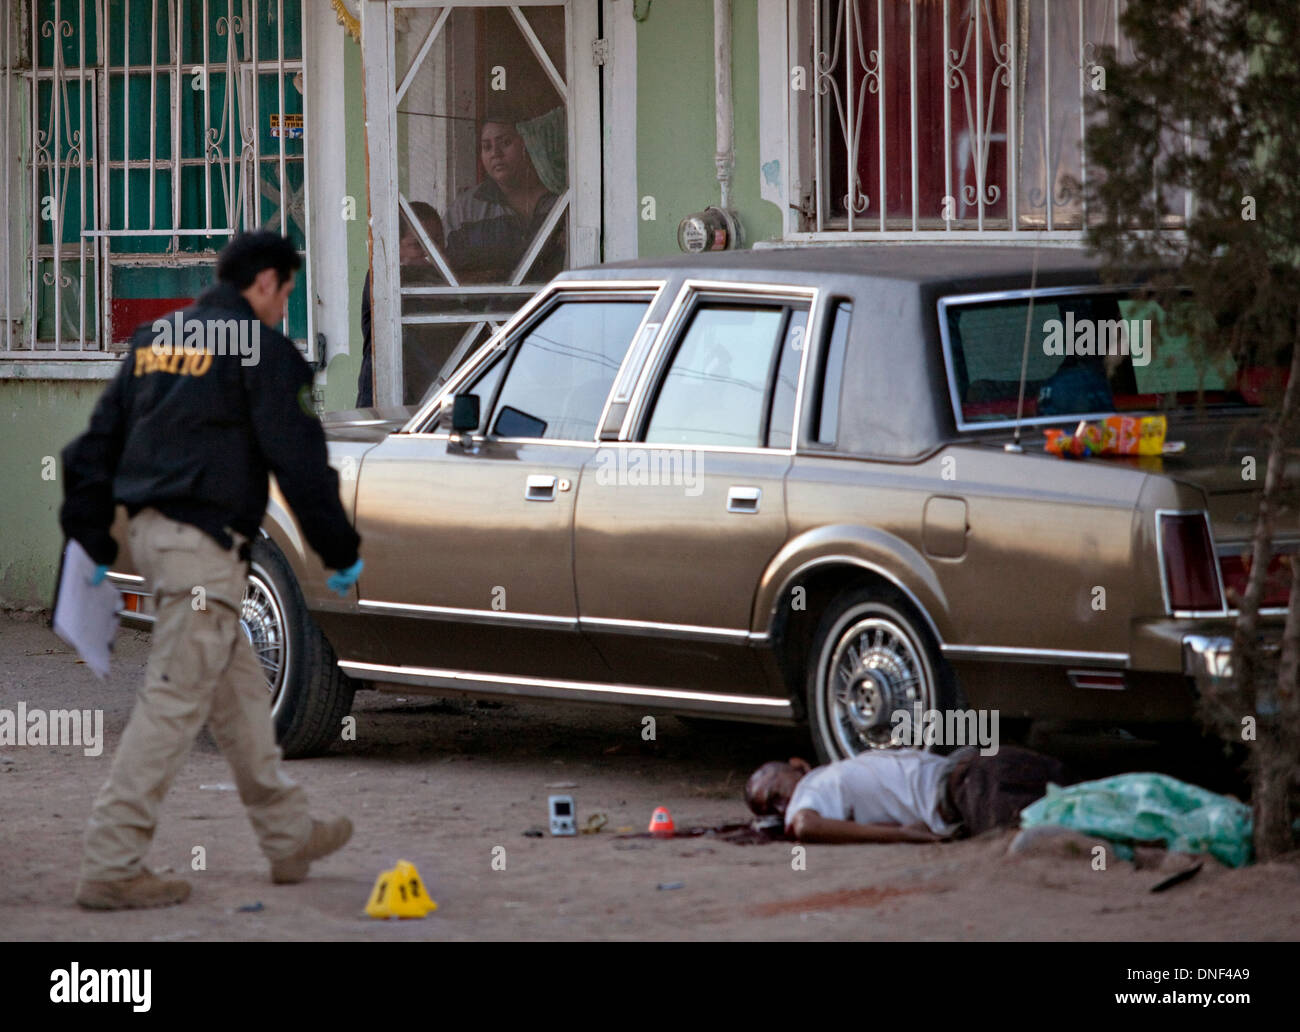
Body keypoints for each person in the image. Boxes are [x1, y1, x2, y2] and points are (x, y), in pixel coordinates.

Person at [60, 231, 363, 910]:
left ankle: (287, 838)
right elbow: (303, 462)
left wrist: (90, 542)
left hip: (158, 541)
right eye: (286, 292)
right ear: (264, 283)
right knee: (172, 702)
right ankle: (112, 862)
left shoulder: (155, 342)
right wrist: (341, 552)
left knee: (243, 699)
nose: (285, 307)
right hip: (205, 552)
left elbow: (92, 445)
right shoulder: (264, 352)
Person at [746, 746, 1072, 844]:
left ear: (798, 765)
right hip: (965, 790)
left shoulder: (818, 780)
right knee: (1076, 810)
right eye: (770, 807)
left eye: (775, 791)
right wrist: (899, 834)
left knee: (1079, 792)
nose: (780, 805)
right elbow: (805, 825)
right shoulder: (807, 797)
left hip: (970, 769)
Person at [443, 114, 565, 284]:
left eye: (506, 143)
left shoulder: (560, 198)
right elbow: (449, 276)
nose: (496, 154)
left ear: (527, 144)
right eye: (487, 147)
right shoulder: (465, 211)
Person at [355, 201, 446, 408]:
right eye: (418, 245)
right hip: (389, 398)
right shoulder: (387, 280)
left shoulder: (436, 277)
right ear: (395, 246)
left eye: (438, 242)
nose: (432, 252)